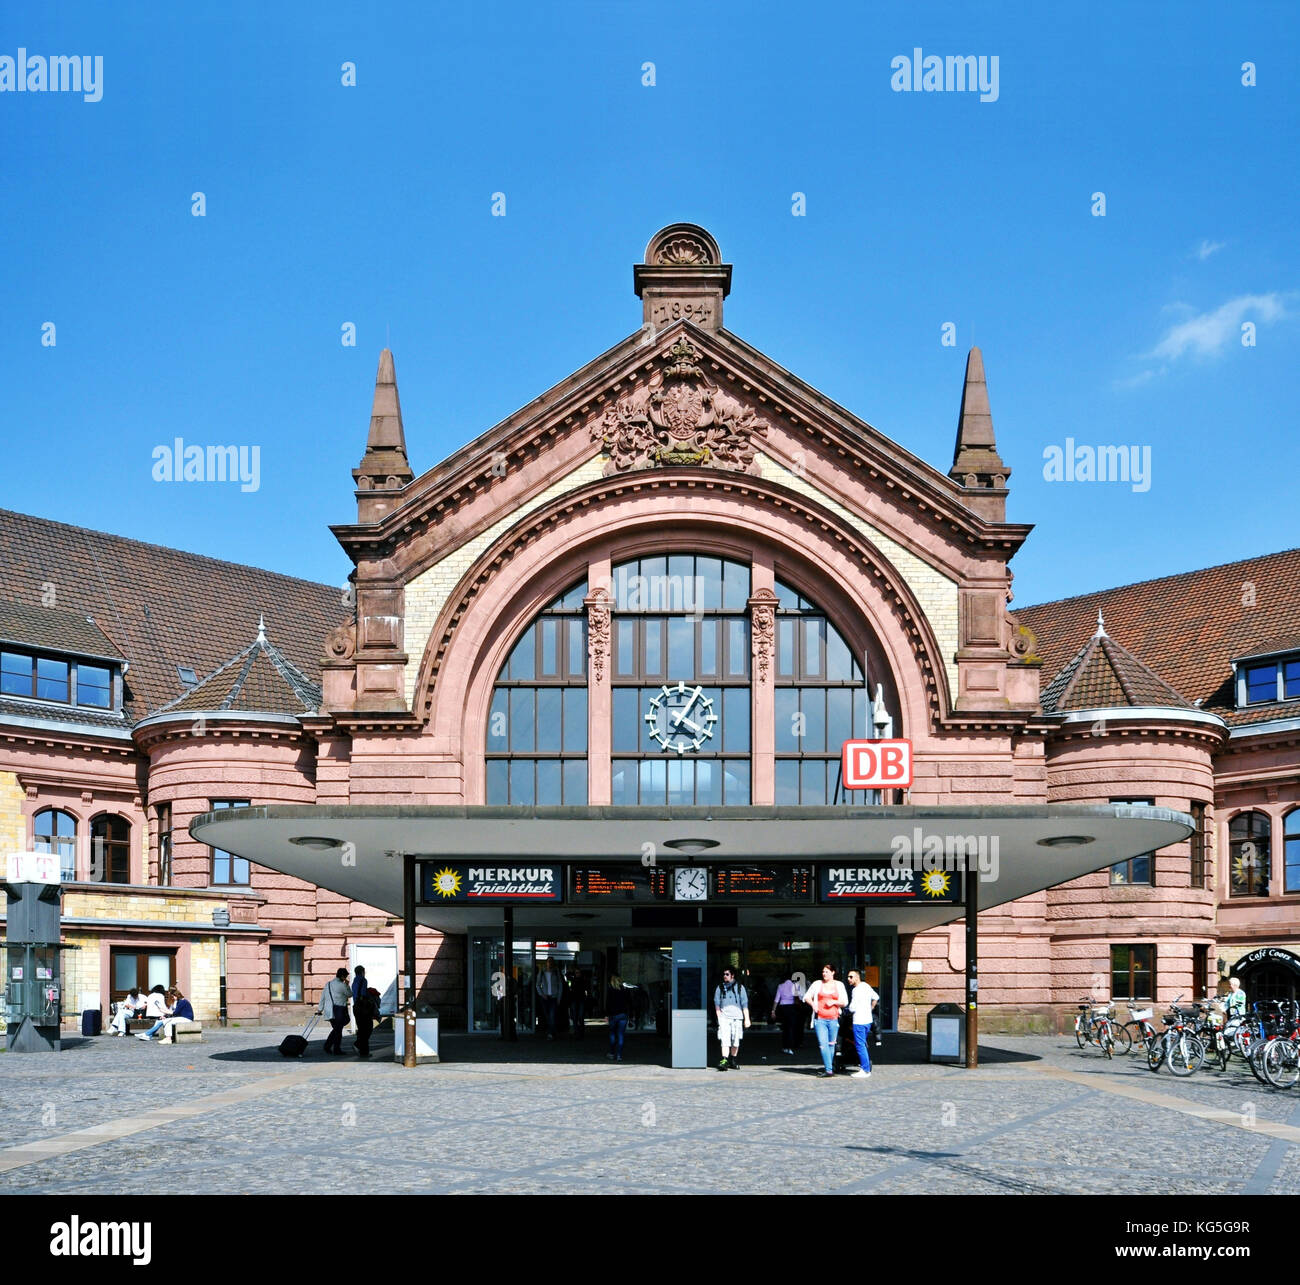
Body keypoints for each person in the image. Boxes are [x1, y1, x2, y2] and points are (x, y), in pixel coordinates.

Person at [804, 964, 849, 1078]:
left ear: (833, 972)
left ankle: (829, 1068)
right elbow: (807, 997)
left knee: (831, 1045)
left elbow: (845, 1002)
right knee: (823, 1044)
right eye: (823, 972)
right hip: (820, 1019)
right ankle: (829, 1069)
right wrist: (814, 1005)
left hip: (834, 1019)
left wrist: (834, 1002)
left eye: (827, 972)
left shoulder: (839, 985)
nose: (824, 974)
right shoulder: (817, 984)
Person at [714, 966, 750, 1070]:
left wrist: (747, 1019)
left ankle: (732, 1060)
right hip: (724, 1018)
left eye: (727, 974)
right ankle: (724, 1059)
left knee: (736, 1040)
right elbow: (717, 1003)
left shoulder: (740, 987)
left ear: (732, 975)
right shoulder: (720, 987)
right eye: (724, 974)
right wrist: (719, 1017)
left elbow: (744, 1004)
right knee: (724, 1039)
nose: (724, 976)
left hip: (737, 1018)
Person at [846, 969, 880, 1078]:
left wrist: (847, 1009)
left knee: (860, 1045)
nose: (849, 979)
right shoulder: (866, 986)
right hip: (867, 1020)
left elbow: (852, 1007)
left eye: (851, 977)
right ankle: (865, 1067)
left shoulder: (855, 990)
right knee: (863, 1044)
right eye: (848, 977)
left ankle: (865, 1070)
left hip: (859, 1021)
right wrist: (871, 1008)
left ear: (857, 977)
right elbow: (876, 997)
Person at [318, 967, 352, 1055]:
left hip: (329, 1010)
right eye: (345, 976)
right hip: (339, 1010)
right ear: (342, 976)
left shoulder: (328, 984)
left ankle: (329, 1047)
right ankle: (334, 1049)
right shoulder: (342, 985)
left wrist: (320, 1009)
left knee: (337, 1029)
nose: (346, 978)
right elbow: (350, 994)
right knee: (338, 1031)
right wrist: (347, 985)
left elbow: (323, 997)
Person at [771, 972, 804, 1054]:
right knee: (791, 1028)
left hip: (782, 1008)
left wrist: (773, 1011)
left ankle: (785, 1046)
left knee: (785, 1028)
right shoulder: (795, 985)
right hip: (792, 1008)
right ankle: (790, 1046)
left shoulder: (780, 986)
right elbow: (800, 997)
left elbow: (776, 999)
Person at [606, 973, 628, 1062]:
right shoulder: (625, 990)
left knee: (612, 1034)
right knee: (620, 1035)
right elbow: (629, 1002)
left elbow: (608, 1003)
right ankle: (619, 1055)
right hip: (623, 1015)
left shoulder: (610, 990)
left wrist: (606, 1015)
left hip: (613, 1015)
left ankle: (611, 1053)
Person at [536, 959, 560, 1040]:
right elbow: (538, 984)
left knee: (552, 1016)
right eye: (548, 961)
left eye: (551, 962)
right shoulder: (542, 972)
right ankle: (553, 1032)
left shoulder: (556, 972)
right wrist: (542, 994)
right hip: (545, 997)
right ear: (546, 963)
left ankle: (551, 1034)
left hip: (553, 997)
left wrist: (558, 997)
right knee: (548, 1016)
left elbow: (560, 985)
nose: (550, 963)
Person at [353, 985, 379, 1059]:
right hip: (364, 1013)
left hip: (359, 1011)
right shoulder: (367, 997)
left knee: (363, 1032)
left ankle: (362, 1049)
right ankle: (361, 1049)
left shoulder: (356, 983)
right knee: (366, 1031)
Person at [569, 968, 589, 1040]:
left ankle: (579, 1032)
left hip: (580, 1000)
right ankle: (577, 1032)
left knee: (580, 1017)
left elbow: (586, 990)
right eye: (576, 972)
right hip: (575, 1000)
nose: (577, 974)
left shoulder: (582, 980)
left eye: (578, 972)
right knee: (576, 1017)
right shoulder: (574, 980)